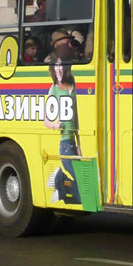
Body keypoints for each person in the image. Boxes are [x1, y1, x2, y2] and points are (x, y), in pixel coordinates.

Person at [44, 59, 81, 204]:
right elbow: (46, 120)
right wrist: (54, 125)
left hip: (73, 142)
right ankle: (60, 179)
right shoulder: (53, 89)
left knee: (81, 192)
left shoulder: (73, 83)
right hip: (65, 144)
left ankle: (60, 182)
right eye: (56, 66)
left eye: (62, 65)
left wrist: (79, 143)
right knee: (80, 192)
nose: (59, 69)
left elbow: (76, 116)